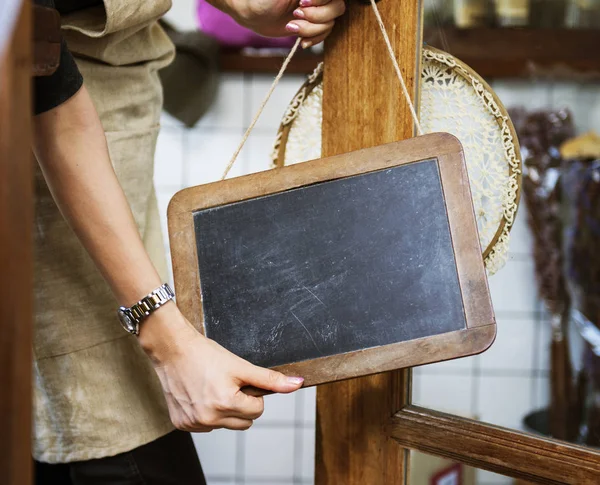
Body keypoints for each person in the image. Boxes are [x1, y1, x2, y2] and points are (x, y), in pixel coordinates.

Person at [31, 0, 346, 483]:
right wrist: (165, 339)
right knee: (101, 415)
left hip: (108, 128)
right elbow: (54, 111)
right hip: (47, 150)